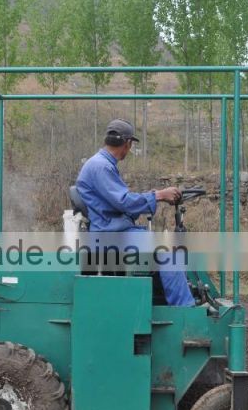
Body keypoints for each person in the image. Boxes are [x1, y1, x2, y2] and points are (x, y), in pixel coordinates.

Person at [75, 119, 195, 307]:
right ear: (127, 143)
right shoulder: (101, 166)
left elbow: (119, 201)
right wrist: (159, 195)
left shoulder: (102, 164)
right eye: (130, 145)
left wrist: (154, 197)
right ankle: (186, 312)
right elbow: (123, 202)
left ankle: (164, 301)